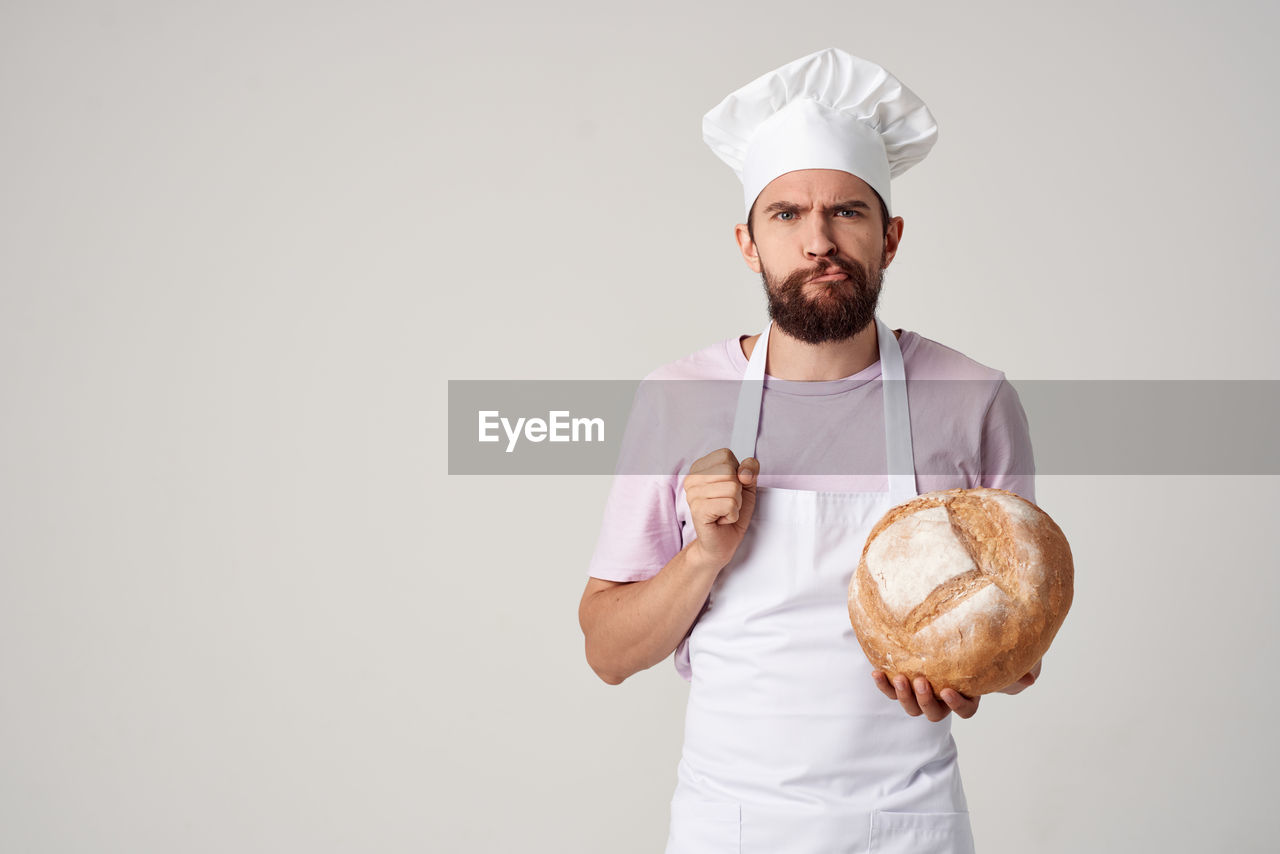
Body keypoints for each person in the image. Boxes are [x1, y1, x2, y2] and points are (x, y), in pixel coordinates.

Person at [578, 48, 1039, 854]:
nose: (818, 240)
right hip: (732, 828)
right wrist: (702, 558)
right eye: (786, 214)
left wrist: (967, 682)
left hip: (911, 829)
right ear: (748, 243)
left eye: (848, 213)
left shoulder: (975, 399)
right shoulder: (677, 398)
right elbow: (608, 654)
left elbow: (1022, 645)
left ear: (890, 237)